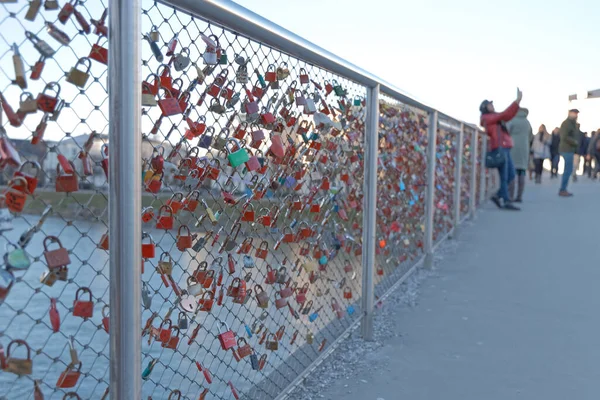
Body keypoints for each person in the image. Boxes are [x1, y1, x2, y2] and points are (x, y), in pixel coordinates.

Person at [480, 88, 522, 210]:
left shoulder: (493, 117)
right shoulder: (487, 118)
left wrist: (517, 102)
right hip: (499, 148)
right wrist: (517, 101)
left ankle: (500, 195)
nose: (492, 105)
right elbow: (505, 115)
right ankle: (505, 199)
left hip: (504, 148)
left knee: (510, 174)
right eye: (490, 104)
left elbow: (507, 115)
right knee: (505, 175)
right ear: (484, 107)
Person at [507, 107, 533, 202]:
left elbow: (507, 132)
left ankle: (510, 196)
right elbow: (530, 136)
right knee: (522, 172)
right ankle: (519, 196)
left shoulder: (512, 120)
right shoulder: (527, 122)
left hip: (512, 147)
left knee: (512, 173)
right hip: (524, 148)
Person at [558, 109, 580, 196]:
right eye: (575, 113)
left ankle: (563, 188)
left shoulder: (573, 124)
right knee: (568, 169)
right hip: (566, 149)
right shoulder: (566, 123)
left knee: (568, 169)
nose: (576, 115)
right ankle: (562, 189)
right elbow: (564, 136)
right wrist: (574, 142)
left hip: (570, 149)